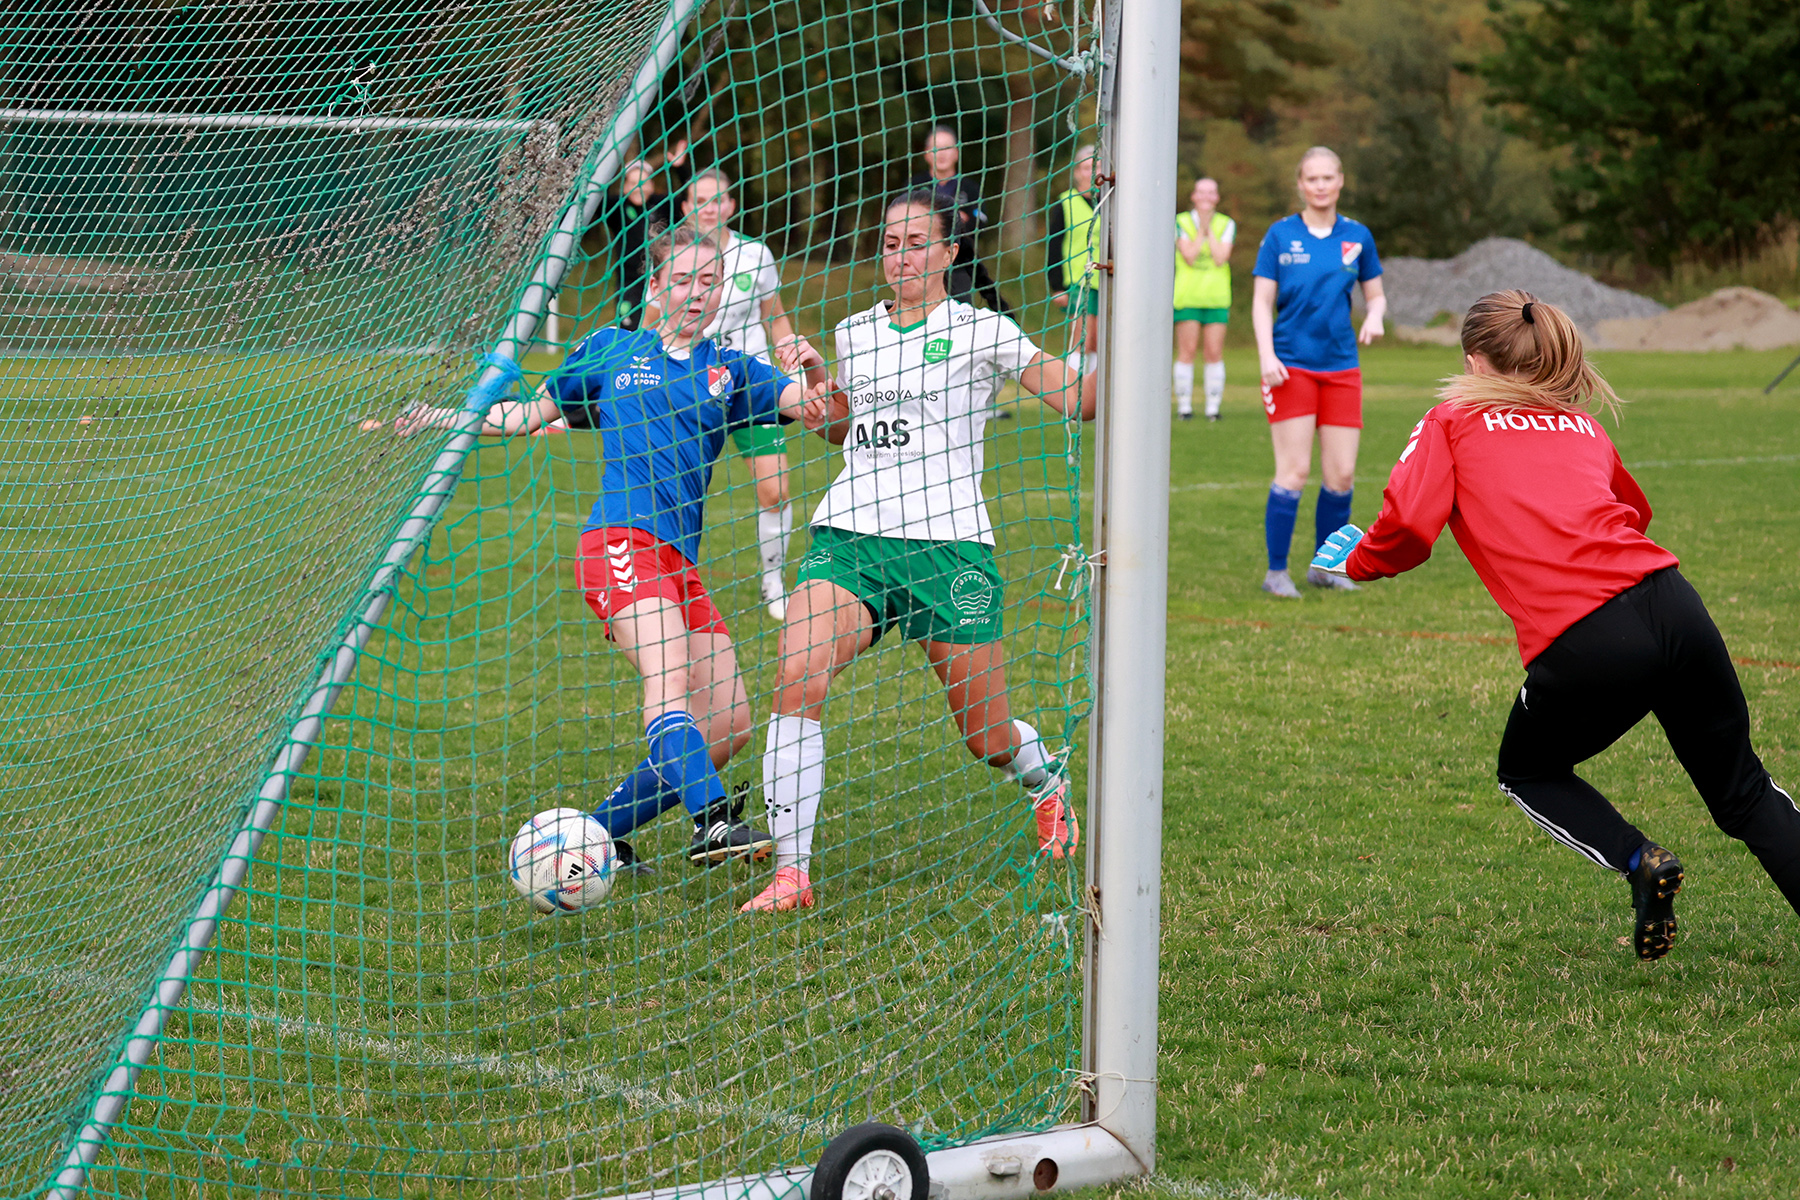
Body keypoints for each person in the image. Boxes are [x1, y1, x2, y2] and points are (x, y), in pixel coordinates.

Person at [1311, 291, 1800, 960]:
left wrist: (1354, 561)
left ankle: (1641, 860)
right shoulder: (1581, 425)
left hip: (1589, 635)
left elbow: (1408, 528)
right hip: (1673, 602)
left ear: (1474, 360)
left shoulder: (1453, 418)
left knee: (1528, 770)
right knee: (1742, 789)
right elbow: (1632, 510)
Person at [399, 223, 834, 871]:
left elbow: (818, 411)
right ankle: (713, 822)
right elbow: (522, 418)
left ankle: (596, 836)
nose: (697, 294)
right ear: (656, 287)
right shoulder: (609, 349)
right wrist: (440, 418)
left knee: (732, 724)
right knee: (670, 684)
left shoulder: (733, 368)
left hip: (679, 561)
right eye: (683, 280)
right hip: (618, 543)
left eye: (709, 283)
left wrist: (820, 370)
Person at [739, 187, 1100, 913]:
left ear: (949, 252)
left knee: (986, 735)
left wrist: (1117, 309)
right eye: (890, 243)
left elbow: (1078, 401)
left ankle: (1046, 780)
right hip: (850, 537)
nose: (899, 256)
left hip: (950, 549)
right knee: (797, 673)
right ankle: (792, 875)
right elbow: (843, 431)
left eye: (915, 243)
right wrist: (818, 390)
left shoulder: (983, 330)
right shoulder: (855, 330)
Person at [1251, 146, 1385, 599]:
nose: (1321, 185)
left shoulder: (1358, 236)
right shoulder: (1280, 236)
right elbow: (1261, 302)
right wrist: (1267, 356)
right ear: (1301, 184)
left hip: (1343, 368)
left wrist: (1375, 315)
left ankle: (1326, 568)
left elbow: (1376, 295)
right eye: (1312, 178)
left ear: (1341, 180)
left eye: (1329, 177)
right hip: (1291, 368)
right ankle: (1276, 573)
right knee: (1293, 471)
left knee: (1342, 474)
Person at [670, 168, 801, 621]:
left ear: (732, 204)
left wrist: (788, 349)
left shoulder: (756, 255)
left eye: (719, 199)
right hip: (689, 386)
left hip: (748, 387)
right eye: (700, 200)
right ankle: (666, 578)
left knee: (776, 489)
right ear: (686, 207)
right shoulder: (673, 255)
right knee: (669, 489)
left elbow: (776, 315)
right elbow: (655, 317)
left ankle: (773, 580)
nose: (710, 207)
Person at [912, 125, 1012, 316]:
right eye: (935, 148)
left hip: (959, 266)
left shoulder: (970, 188)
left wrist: (963, 221)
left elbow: (981, 218)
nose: (940, 154)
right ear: (926, 154)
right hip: (921, 267)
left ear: (956, 153)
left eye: (946, 148)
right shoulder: (915, 186)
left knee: (958, 320)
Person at [1173, 177, 1235, 421]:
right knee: (1186, 351)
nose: (1207, 197)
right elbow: (1189, 255)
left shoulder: (1226, 224)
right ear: (1194, 196)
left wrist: (1209, 229)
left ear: (1217, 197)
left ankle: (1213, 407)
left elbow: (1220, 257)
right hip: (1188, 296)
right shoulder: (1181, 221)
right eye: (1202, 192)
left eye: (1212, 192)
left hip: (1217, 297)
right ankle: (1184, 407)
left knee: (1213, 352)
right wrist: (1201, 229)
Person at [1046, 145, 1100, 377]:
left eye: (1096, 166)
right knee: (1082, 340)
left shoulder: (1111, 201)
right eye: (1086, 167)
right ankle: (1074, 393)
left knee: (1099, 342)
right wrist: (1057, 286)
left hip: (1106, 280)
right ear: (1077, 172)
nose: (1091, 172)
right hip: (1078, 281)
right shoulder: (1065, 202)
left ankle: (1098, 399)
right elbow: (1054, 246)